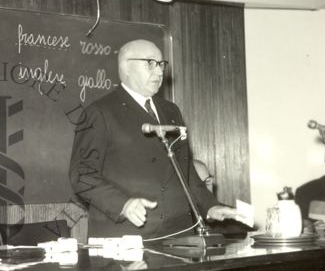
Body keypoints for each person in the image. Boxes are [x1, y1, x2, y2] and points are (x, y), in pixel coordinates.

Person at [69, 39, 240, 239]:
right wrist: (123, 204)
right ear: (126, 67)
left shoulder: (171, 111)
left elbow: (186, 172)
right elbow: (82, 175)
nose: (159, 72)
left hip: (179, 234)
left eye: (161, 64)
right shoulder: (100, 112)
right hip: (127, 235)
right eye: (150, 63)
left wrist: (211, 207)